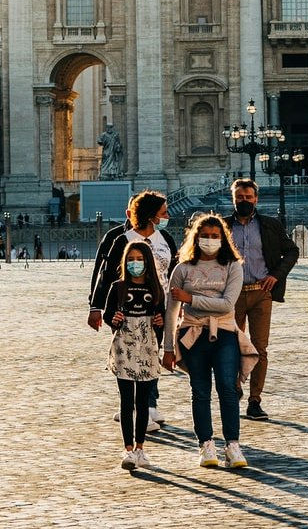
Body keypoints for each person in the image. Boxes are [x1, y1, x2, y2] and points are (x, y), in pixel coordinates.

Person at [162, 214, 247, 469]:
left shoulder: (233, 266)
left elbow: (226, 305)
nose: (209, 240)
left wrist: (191, 298)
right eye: (205, 236)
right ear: (195, 238)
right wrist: (167, 348)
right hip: (191, 334)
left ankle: (232, 445)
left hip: (224, 333)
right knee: (199, 391)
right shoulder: (182, 268)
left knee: (227, 389)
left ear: (223, 239)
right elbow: (171, 311)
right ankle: (206, 444)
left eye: (214, 236)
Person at [87, 190, 177, 430]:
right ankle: (137, 409)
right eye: (163, 212)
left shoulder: (165, 238)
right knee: (130, 356)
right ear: (150, 215)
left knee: (150, 354)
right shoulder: (122, 240)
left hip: (160, 307)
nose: (167, 216)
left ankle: (147, 405)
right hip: (127, 308)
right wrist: (96, 307)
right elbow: (105, 277)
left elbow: (175, 272)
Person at [224, 177, 299, 420]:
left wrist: (276, 276)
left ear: (256, 199)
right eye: (239, 198)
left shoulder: (270, 225)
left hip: (260, 293)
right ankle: (234, 389)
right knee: (231, 347)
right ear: (233, 199)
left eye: (248, 197)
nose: (243, 201)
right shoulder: (222, 226)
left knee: (259, 347)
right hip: (231, 296)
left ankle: (255, 399)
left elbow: (292, 250)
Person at [103, 239, 165, 470]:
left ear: (147, 262)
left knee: (143, 402)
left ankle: (141, 448)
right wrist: (114, 320)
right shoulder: (118, 287)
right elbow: (109, 317)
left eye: (139, 259)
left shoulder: (156, 289)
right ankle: (128, 450)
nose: (135, 263)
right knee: (126, 401)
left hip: (147, 347)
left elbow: (162, 320)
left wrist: (159, 324)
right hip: (124, 348)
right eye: (131, 260)